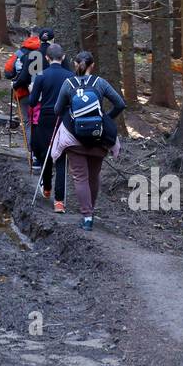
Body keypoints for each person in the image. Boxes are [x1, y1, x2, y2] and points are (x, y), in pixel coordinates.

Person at [51, 51, 126, 231]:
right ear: (92, 65)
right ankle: (90, 210)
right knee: (94, 176)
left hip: (74, 138)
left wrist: (73, 118)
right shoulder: (100, 83)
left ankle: (87, 217)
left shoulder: (68, 84)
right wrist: (105, 119)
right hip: (99, 137)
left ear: (76, 64)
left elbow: (57, 109)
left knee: (80, 177)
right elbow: (120, 104)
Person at [26, 43, 71, 212]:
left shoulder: (41, 76)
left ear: (46, 57)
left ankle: (46, 189)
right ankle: (59, 201)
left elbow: (31, 102)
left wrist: (33, 91)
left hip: (45, 118)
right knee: (61, 158)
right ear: (63, 57)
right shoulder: (70, 76)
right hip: (64, 119)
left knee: (46, 153)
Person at [4, 30, 45, 148]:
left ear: (29, 36)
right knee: (41, 121)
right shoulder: (47, 51)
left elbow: (8, 71)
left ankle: (32, 152)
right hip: (43, 92)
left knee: (28, 122)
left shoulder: (21, 52)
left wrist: (15, 81)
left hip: (23, 92)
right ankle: (42, 152)